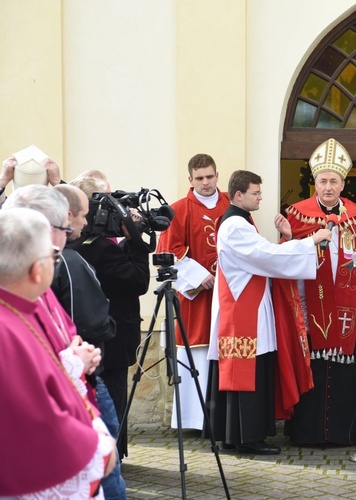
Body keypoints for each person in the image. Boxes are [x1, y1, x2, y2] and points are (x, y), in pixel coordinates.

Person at [8, 183, 127, 498]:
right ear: (36, 270)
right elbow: (32, 403)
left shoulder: (27, 298)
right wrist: (97, 447)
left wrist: (76, 350)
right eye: (53, 259)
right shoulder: (9, 325)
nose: (58, 262)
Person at [206, 170, 330, 454]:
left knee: (249, 372)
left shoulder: (240, 222)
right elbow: (267, 257)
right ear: (239, 195)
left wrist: (288, 240)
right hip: (241, 312)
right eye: (256, 193)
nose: (260, 197)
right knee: (248, 373)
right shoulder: (236, 225)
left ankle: (235, 434)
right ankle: (248, 438)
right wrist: (309, 241)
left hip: (246, 306)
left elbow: (264, 254)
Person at [281, 137, 356, 446]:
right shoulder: (298, 214)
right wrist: (287, 237)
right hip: (310, 309)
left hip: (347, 313)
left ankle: (342, 434)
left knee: (344, 375)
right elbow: (285, 259)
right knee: (312, 370)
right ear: (314, 183)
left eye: (333, 181)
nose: (328, 186)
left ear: (342, 184)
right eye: (323, 181)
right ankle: (306, 434)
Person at [69, 171, 151, 458]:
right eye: (109, 199)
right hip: (112, 340)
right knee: (113, 403)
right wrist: (138, 242)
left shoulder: (77, 243)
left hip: (95, 338)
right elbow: (139, 282)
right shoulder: (101, 249)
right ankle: (112, 462)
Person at [155, 153, 231, 431]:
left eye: (210, 176)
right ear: (190, 179)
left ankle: (224, 421)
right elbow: (168, 252)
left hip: (229, 297)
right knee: (197, 353)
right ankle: (197, 421)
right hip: (198, 298)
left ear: (217, 175)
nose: (206, 182)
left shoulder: (231, 204)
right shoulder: (178, 210)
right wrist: (201, 276)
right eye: (199, 178)